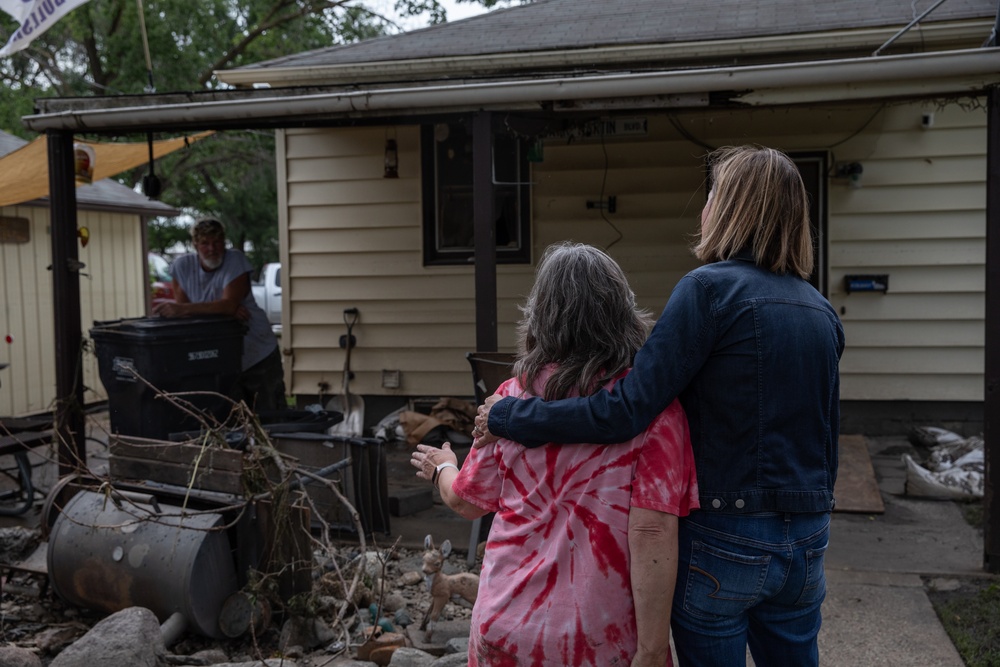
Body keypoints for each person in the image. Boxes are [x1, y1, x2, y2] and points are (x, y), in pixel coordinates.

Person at [475, 146, 846, 667]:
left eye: (712, 195)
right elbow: (829, 439)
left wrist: (510, 416)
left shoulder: (708, 292)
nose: (704, 208)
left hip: (725, 536)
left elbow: (627, 409)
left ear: (731, 208)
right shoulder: (820, 309)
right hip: (807, 539)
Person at [411, 242, 699, 667]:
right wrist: (654, 649)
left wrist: (442, 468)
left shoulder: (508, 400)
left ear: (540, 317)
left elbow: (466, 502)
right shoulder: (654, 413)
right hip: (599, 639)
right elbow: (652, 532)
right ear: (622, 313)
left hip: (504, 625)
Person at [153, 217, 286, 412]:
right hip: (218, 357)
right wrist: (221, 311)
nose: (212, 248)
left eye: (217, 242)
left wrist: (220, 308)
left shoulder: (236, 260)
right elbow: (189, 317)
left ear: (224, 242)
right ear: (195, 244)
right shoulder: (182, 266)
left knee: (270, 413)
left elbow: (227, 305)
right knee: (230, 418)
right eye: (205, 243)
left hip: (256, 350)